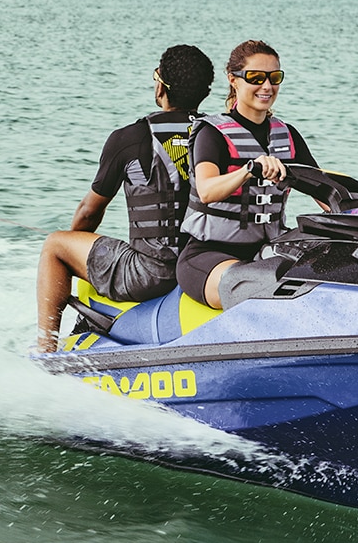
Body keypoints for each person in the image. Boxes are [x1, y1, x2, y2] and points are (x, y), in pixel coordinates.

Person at [35, 44, 215, 351]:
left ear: (161, 86)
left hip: (152, 273)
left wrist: (75, 246)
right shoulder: (217, 135)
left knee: (55, 245)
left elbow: (89, 214)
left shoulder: (129, 138)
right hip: (204, 265)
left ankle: (46, 347)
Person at [176, 39, 321, 309]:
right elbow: (207, 190)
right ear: (234, 80)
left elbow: (324, 190)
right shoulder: (212, 133)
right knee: (257, 284)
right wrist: (248, 170)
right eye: (255, 77)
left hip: (267, 251)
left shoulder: (287, 135)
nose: (267, 86)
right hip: (208, 255)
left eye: (274, 77)